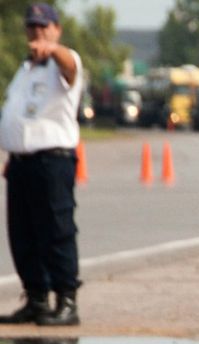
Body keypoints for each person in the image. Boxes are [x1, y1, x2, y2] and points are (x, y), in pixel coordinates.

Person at [0, 2, 84, 326]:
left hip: (52, 160)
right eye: (32, 28)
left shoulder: (63, 63)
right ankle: (36, 298)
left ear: (56, 29)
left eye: (43, 27)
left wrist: (54, 49)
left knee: (56, 231)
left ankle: (67, 300)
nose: (37, 34)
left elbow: (71, 65)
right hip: (22, 163)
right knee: (23, 234)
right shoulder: (26, 69)